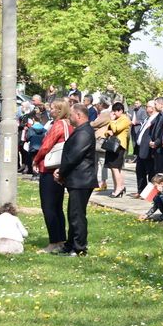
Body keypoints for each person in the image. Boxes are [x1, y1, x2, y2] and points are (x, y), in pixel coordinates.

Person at [54, 103, 97, 256]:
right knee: (73, 214)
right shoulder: (81, 130)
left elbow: (74, 156)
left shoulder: (84, 132)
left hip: (81, 179)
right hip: (77, 179)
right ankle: (70, 244)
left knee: (77, 215)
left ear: (78, 115)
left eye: (71, 115)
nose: (69, 117)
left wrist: (61, 172)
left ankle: (80, 248)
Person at [32, 99, 73, 254]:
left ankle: (54, 241)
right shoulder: (69, 125)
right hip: (60, 169)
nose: (50, 110)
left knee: (48, 206)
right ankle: (61, 239)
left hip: (49, 169)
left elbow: (46, 146)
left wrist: (36, 159)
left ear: (60, 110)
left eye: (53, 108)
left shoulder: (58, 125)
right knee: (57, 206)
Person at [104, 101, 132, 198]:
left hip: (119, 146)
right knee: (113, 168)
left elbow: (116, 129)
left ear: (121, 111)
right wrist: (108, 132)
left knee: (115, 168)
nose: (114, 113)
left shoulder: (125, 119)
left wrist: (112, 121)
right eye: (113, 111)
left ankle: (119, 189)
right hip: (112, 146)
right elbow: (107, 131)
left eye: (116, 111)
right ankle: (118, 187)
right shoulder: (116, 119)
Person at [132, 99, 158, 196]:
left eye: (147, 106)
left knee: (151, 172)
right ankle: (141, 191)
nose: (146, 108)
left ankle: (150, 194)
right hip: (140, 149)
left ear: (152, 108)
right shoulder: (147, 118)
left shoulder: (156, 119)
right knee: (140, 171)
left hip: (149, 149)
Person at [90, 96, 112, 191]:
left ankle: (103, 182)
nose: (98, 105)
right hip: (98, 139)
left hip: (101, 140)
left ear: (102, 104)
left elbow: (95, 124)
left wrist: (92, 124)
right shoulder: (103, 113)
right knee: (97, 162)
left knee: (102, 162)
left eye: (99, 103)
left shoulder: (105, 114)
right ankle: (96, 182)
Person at [150, 97, 163, 175]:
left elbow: (162, 131)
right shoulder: (159, 115)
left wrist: (156, 142)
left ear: (161, 104)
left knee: (161, 170)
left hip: (161, 147)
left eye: (156, 104)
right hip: (155, 147)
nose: (154, 106)